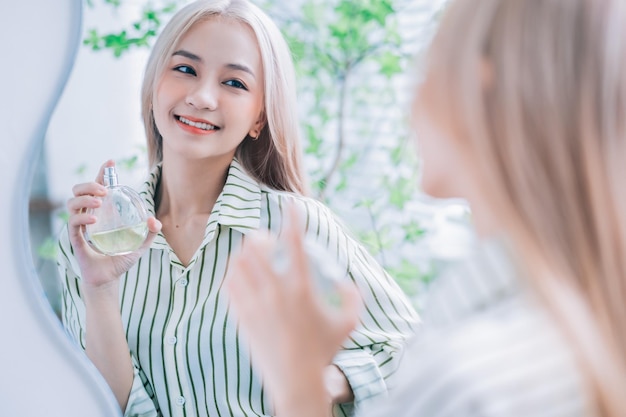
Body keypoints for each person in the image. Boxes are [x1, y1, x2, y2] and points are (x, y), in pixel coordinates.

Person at [227, 0, 626, 416]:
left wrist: (298, 383)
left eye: (426, 66)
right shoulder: (584, 329)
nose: (409, 101)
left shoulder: (466, 383)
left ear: (473, 91)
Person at [57, 1, 418, 416]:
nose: (202, 97)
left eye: (234, 83)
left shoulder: (297, 227)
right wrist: (99, 290)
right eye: (185, 70)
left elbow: (412, 354)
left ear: (259, 118)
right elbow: (105, 403)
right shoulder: (93, 242)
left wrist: (315, 381)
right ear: (154, 83)